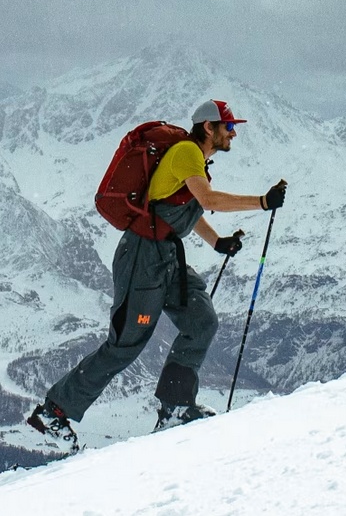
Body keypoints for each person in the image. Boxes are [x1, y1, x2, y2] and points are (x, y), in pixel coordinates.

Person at [27, 99, 288, 451]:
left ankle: (176, 407)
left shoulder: (195, 158)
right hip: (142, 258)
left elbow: (183, 208)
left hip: (165, 255)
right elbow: (207, 198)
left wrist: (217, 242)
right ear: (208, 127)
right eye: (228, 126)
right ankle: (54, 412)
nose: (233, 133)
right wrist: (262, 202)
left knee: (201, 320)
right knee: (125, 344)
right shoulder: (186, 152)